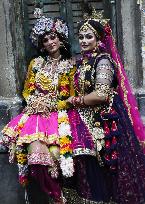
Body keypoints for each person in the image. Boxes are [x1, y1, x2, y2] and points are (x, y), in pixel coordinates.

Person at [62, 7, 145, 204]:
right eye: (81, 36)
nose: (83, 40)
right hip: (83, 118)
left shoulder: (104, 61)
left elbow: (100, 94)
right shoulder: (82, 62)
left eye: (88, 36)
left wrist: (72, 101)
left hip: (104, 120)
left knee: (105, 166)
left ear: (98, 39)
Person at [1, 8, 75, 204]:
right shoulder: (36, 64)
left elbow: (72, 97)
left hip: (58, 115)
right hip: (35, 115)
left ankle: (59, 195)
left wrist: (53, 103)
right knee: (36, 159)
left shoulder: (70, 65)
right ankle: (54, 197)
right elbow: (27, 90)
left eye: (53, 38)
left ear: (60, 39)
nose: (50, 42)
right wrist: (34, 101)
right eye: (45, 40)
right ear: (41, 45)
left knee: (56, 156)